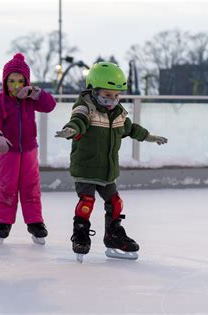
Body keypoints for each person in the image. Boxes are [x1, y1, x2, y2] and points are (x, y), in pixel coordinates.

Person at [55, 61, 168, 261]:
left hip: (107, 170)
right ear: (93, 90)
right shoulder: (85, 108)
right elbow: (78, 121)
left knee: (115, 202)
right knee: (86, 202)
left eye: (116, 95)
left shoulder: (117, 113)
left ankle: (113, 235)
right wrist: (71, 130)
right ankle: (80, 233)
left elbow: (131, 128)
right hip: (86, 168)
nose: (112, 100)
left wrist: (148, 136)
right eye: (107, 95)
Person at [0, 53, 56, 245]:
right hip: (8, 151)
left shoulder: (30, 100)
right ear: (5, 82)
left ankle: (35, 222)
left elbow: (50, 105)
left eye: (20, 80)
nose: (16, 84)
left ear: (26, 81)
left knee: (30, 186)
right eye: (11, 80)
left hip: (29, 150)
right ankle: (4, 221)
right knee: (7, 186)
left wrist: (35, 92)